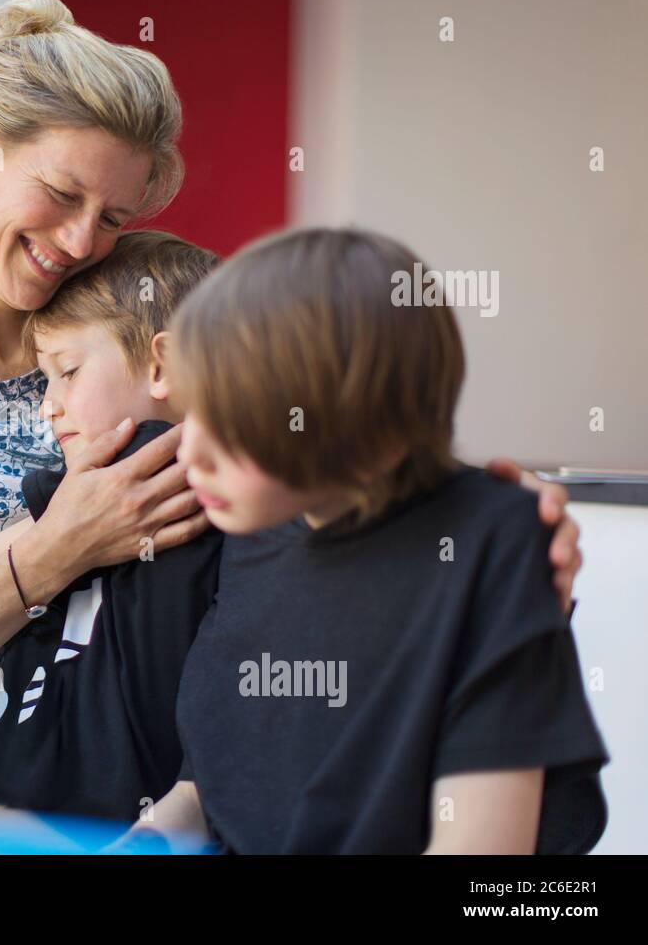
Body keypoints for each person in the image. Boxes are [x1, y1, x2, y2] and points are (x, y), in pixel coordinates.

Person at [0, 0, 584, 781]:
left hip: (116, 799)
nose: (81, 240)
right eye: (60, 194)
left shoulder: (133, 343)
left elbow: (320, 466)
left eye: (114, 216)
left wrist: (491, 524)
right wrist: (59, 549)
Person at [135, 228, 608, 854]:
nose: (191, 453)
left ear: (371, 434)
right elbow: (205, 793)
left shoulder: (493, 546)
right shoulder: (250, 528)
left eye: (237, 426)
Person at [0, 231, 222, 822]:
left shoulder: (207, 511)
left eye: (68, 372)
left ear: (162, 364)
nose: (47, 405)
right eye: (45, 379)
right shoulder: (58, 497)